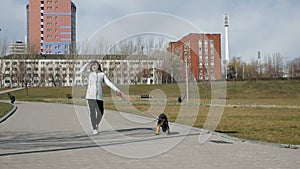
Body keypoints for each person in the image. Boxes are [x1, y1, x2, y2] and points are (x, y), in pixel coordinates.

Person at [78, 60, 126, 135]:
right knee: (92, 113)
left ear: (98, 66)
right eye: (92, 65)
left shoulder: (102, 74)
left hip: (99, 97)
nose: (94, 66)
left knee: (101, 112)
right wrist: (87, 63)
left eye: (95, 65)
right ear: (91, 66)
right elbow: (81, 71)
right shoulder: (89, 74)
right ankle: (94, 128)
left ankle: (96, 124)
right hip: (90, 96)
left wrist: (117, 90)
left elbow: (109, 83)